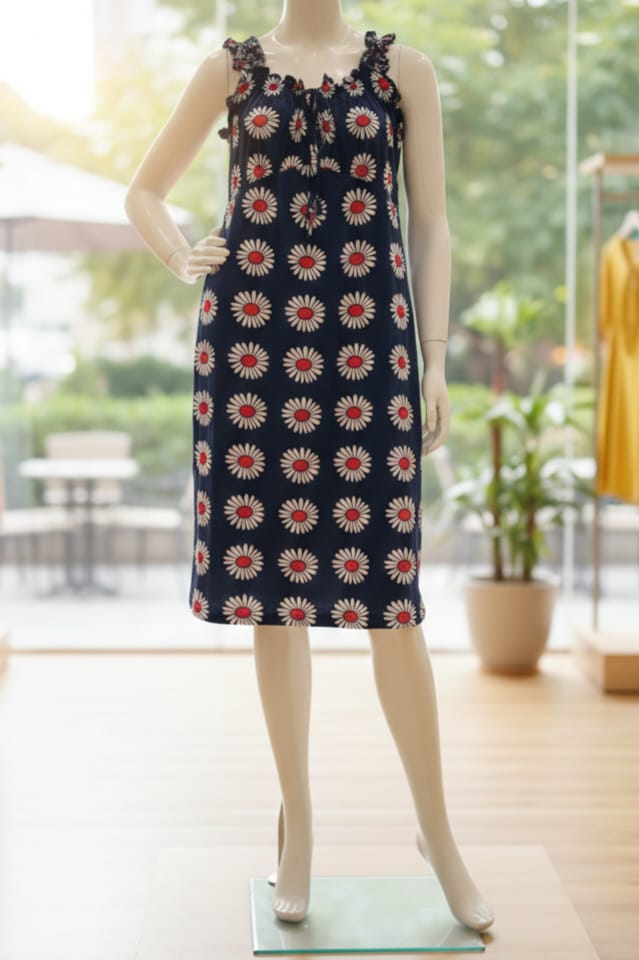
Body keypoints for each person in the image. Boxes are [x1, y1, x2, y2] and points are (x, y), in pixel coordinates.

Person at [125, 0, 494, 932]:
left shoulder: (403, 70)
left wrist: (438, 355)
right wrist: (181, 257)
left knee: (388, 594)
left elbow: (433, 223)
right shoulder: (232, 69)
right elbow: (143, 191)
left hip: (372, 352)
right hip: (252, 347)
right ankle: (299, 827)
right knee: (271, 593)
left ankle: (437, 832)